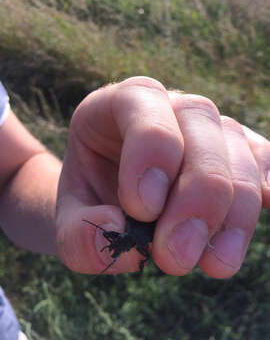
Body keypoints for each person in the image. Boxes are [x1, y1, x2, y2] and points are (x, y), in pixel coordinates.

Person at [1, 76, 270, 338]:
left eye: (112, 242)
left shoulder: (129, 233)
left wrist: (77, 205)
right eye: (116, 244)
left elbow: (12, 174)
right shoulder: (135, 240)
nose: (112, 246)